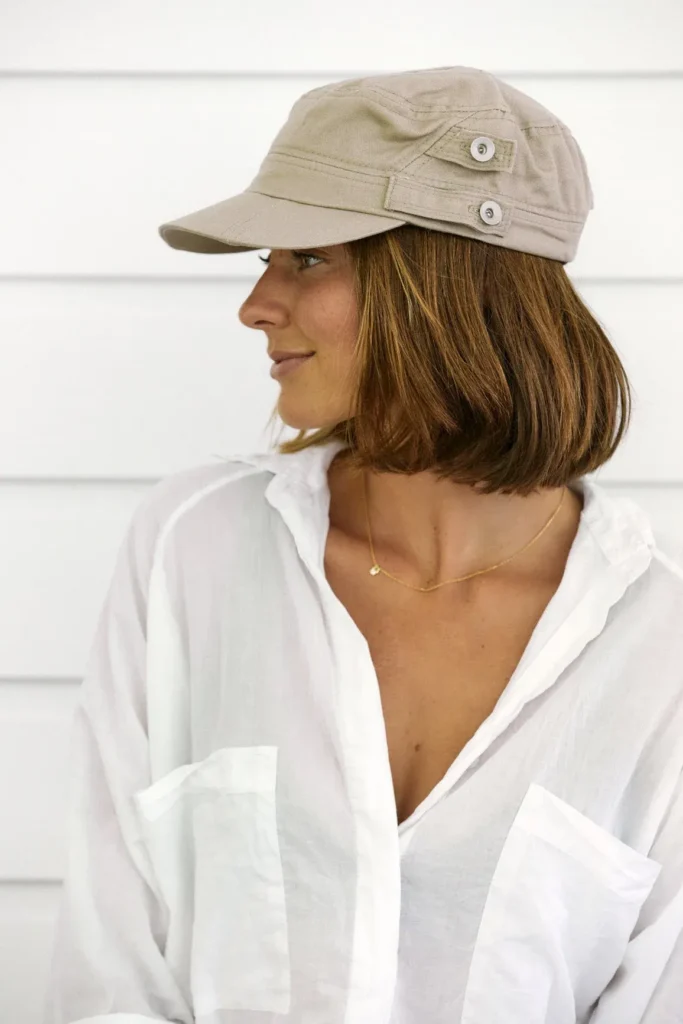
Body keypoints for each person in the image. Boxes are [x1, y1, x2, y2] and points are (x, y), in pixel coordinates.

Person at [43, 66, 683, 1024]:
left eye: (305, 259)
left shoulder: (658, 648)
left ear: (443, 285)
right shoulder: (195, 551)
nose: (255, 304)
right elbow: (108, 966)